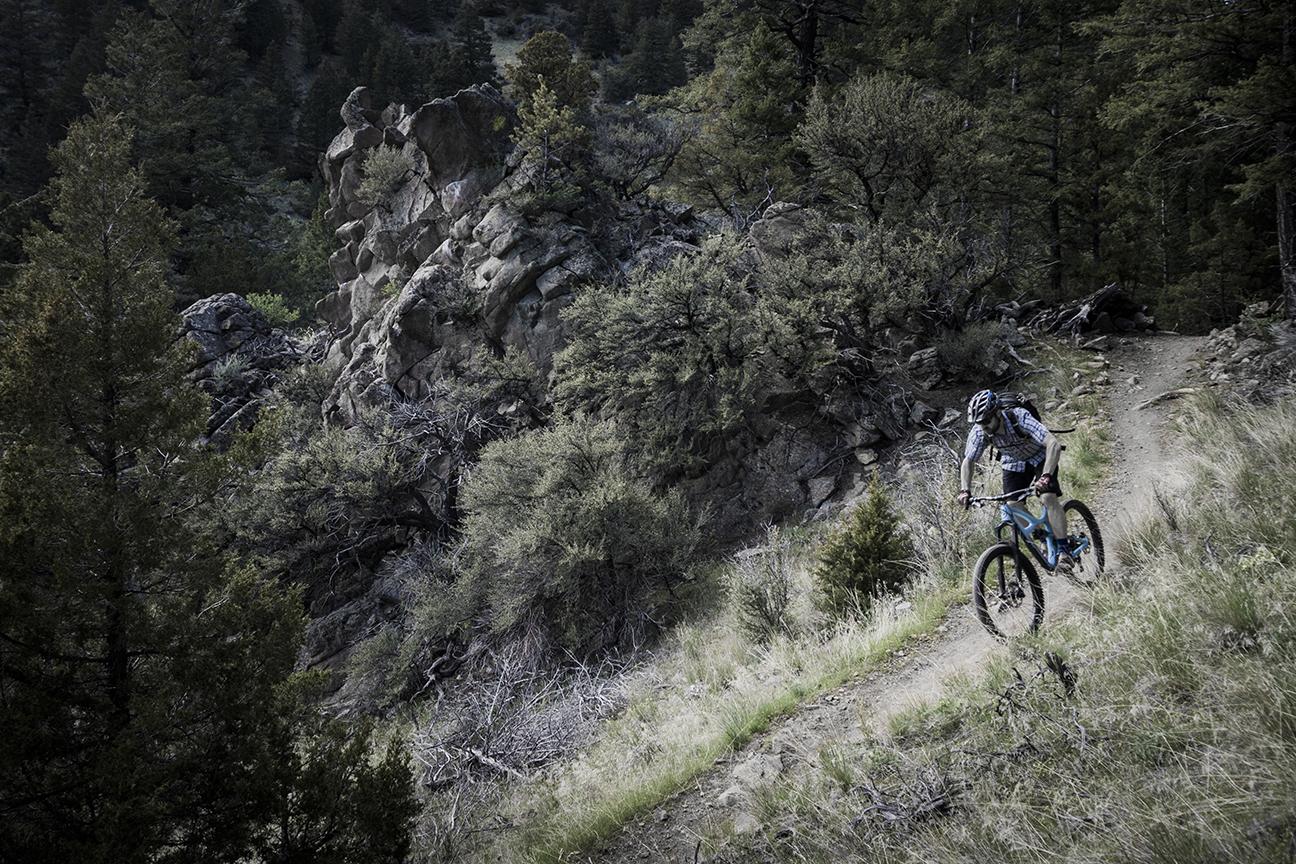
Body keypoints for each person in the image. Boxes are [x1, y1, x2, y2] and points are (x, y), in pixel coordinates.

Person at [956, 389, 1074, 572]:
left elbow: (1053, 444)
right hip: (1013, 462)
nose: (983, 426)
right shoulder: (980, 432)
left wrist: (1046, 476)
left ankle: (1065, 552)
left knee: (1047, 497)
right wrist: (965, 490)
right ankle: (1042, 535)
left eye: (986, 420)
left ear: (997, 413)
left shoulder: (1019, 417)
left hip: (1040, 456)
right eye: (979, 423)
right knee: (1012, 505)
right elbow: (968, 461)